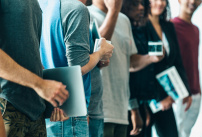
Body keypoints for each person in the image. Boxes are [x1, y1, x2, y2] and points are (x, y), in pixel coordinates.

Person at [88, 0, 165, 137]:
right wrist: (113, 11)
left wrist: (151, 58)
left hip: (122, 112)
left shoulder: (123, 20)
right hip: (98, 112)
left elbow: (130, 63)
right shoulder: (86, 14)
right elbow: (97, 55)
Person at [38, 0, 114, 136]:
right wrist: (100, 52)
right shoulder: (75, 9)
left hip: (50, 109)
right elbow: (79, 67)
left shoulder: (40, 5)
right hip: (70, 112)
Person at [123, 0, 192, 137]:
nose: (160, 3)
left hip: (166, 93)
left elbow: (177, 61)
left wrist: (184, 91)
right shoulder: (138, 25)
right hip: (146, 96)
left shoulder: (168, 26)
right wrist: (157, 99)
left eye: (163, 0)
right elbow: (139, 68)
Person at [0, 1, 69, 136]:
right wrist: (40, 85)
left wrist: (53, 101)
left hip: (36, 111)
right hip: (8, 106)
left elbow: (32, 56)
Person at [172, 0, 202, 137]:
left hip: (195, 93)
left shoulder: (196, 30)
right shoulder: (171, 26)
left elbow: (193, 60)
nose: (193, 2)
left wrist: (198, 89)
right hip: (179, 94)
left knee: (185, 133)